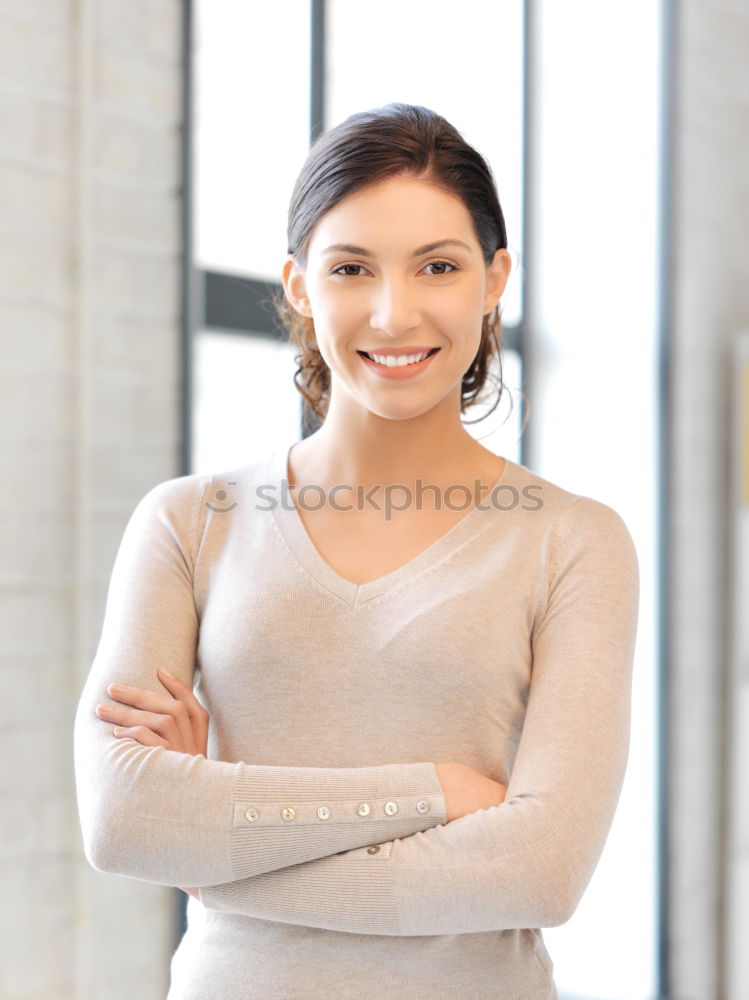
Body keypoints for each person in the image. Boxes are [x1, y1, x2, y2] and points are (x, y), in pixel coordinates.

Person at [73, 103, 639, 1000]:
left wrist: (222, 850)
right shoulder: (188, 522)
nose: (392, 311)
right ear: (299, 285)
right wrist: (437, 793)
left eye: (438, 267)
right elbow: (122, 820)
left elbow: (542, 868)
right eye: (350, 269)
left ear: (494, 279)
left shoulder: (573, 541)